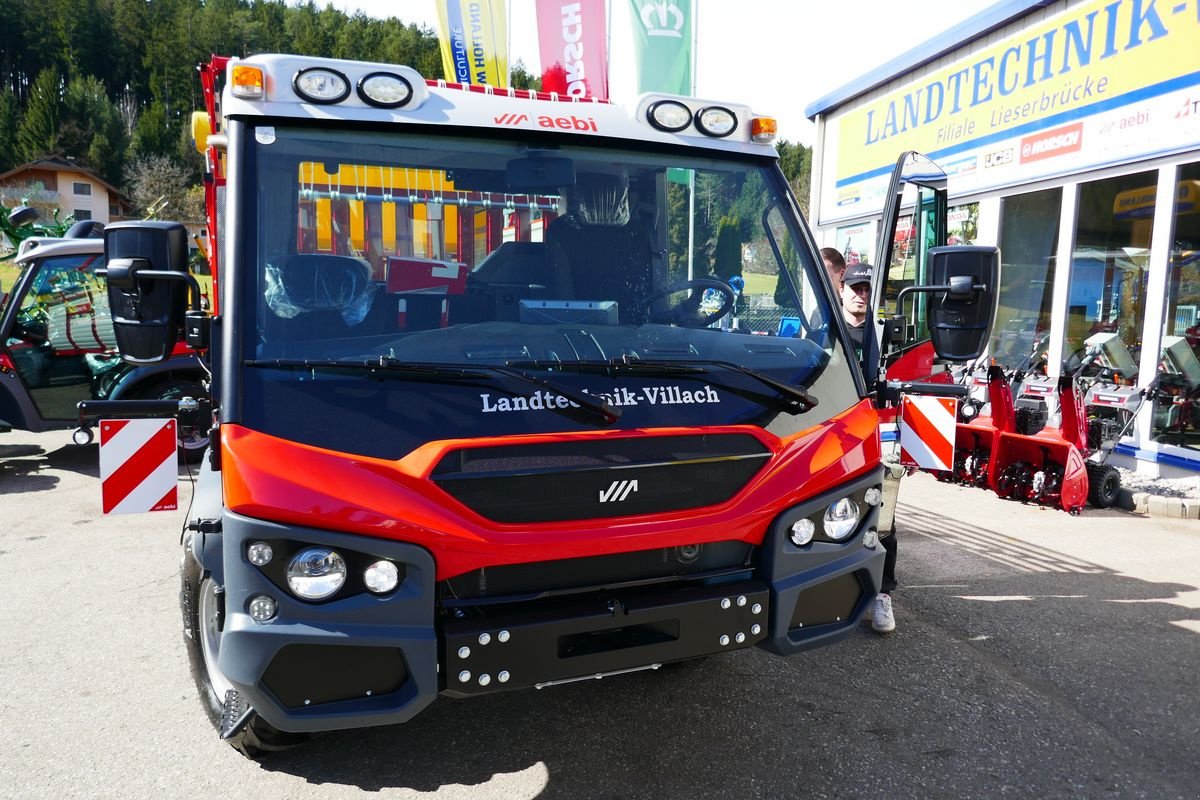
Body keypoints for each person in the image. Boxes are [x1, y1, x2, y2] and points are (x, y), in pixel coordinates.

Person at [838, 262, 899, 634]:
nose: (861, 295)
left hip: (878, 434)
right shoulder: (824, 333)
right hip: (835, 438)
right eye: (855, 288)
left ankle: (883, 594)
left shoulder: (883, 337)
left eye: (866, 289)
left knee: (885, 517)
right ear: (842, 289)